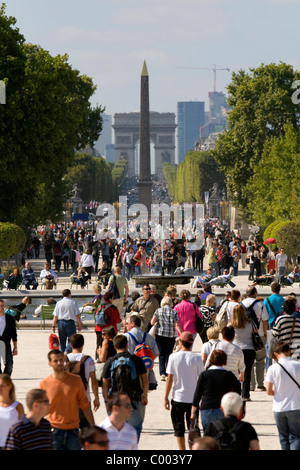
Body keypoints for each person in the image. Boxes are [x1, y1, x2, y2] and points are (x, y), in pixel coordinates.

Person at [39, 349, 95, 450]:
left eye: (61, 360)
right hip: (53, 431)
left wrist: (93, 426)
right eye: (55, 361)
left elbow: (85, 405)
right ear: (50, 364)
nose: (59, 363)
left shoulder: (76, 380)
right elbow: (40, 410)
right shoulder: (44, 384)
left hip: (73, 431)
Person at [101, 334, 148, 441]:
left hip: (115, 398)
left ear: (114, 346)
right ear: (127, 345)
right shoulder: (136, 359)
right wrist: (144, 396)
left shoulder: (110, 361)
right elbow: (145, 380)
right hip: (133, 398)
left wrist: (107, 398)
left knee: (115, 428)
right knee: (136, 425)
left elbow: (105, 382)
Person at [164, 331, 204, 450]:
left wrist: (165, 397)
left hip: (178, 398)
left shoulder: (173, 357)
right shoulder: (197, 358)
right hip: (193, 400)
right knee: (194, 429)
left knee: (178, 429)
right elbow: (201, 378)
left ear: (181, 342)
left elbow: (169, 379)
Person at [191, 350, 241, 432]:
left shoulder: (204, 375)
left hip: (207, 408)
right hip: (224, 409)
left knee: (208, 437)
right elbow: (238, 393)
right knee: (224, 437)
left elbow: (197, 394)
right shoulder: (229, 375)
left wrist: (193, 412)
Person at [266, 341, 300, 450]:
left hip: (279, 407)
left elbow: (269, 391)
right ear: (289, 351)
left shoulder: (272, 368)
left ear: (276, 354)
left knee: (283, 437)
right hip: (295, 406)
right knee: (296, 437)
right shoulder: (298, 365)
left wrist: (279, 393)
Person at [65, 333, 100, 426]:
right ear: (83, 344)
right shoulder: (88, 360)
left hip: (68, 399)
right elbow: (93, 381)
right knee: (86, 429)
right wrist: (96, 398)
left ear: (71, 345)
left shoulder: (64, 360)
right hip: (84, 398)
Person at [241, 286, 269, 391]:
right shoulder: (260, 304)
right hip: (259, 334)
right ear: (255, 293)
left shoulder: (241, 304)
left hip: (246, 335)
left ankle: (251, 385)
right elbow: (265, 320)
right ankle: (260, 384)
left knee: (249, 361)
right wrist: (266, 333)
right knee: (260, 360)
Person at [150, 297, 181, 381]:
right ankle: (168, 372)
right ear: (170, 303)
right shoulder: (174, 312)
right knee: (169, 354)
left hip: (160, 335)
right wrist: (181, 334)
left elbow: (152, 322)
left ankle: (162, 373)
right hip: (171, 336)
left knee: (161, 354)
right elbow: (177, 324)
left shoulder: (158, 311)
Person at [229, 304, 256, 401]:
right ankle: (245, 394)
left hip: (235, 349)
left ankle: (235, 393)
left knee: (235, 372)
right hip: (249, 348)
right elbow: (255, 332)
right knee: (247, 372)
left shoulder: (231, 325)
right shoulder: (250, 322)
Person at [51, 288, 83, 354]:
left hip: (61, 322)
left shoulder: (59, 303)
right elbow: (77, 315)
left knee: (62, 340)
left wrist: (53, 325)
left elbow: (55, 316)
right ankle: (67, 351)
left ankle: (62, 354)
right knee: (72, 339)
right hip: (70, 322)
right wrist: (80, 324)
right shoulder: (73, 302)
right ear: (69, 294)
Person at [0, 374, 24, 449]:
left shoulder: (17, 407)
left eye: (2, 386)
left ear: (9, 386)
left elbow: (23, 428)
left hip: (13, 446)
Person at [0, 299, 18, 376]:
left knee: (9, 365)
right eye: (0, 306)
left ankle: (5, 378)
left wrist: (15, 347)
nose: (2, 307)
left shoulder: (10, 318)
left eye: (2, 306)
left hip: (6, 344)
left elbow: (14, 334)